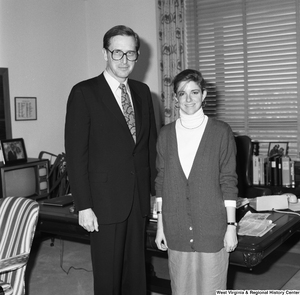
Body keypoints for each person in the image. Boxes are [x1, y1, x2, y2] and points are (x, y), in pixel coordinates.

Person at [65, 25, 157, 295]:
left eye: (131, 53)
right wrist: (83, 205)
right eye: (117, 53)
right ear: (105, 53)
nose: (124, 60)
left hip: (137, 199)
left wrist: (155, 194)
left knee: (136, 276)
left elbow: (148, 147)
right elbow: (75, 154)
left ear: (138, 55)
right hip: (103, 203)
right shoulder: (84, 92)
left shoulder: (142, 92)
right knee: (108, 279)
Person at [155, 69, 238, 294]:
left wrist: (231, 227)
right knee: (181, 288)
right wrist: (160, 227)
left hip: (213, 227)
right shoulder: (165, 135)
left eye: (194, 92)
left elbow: (228, 181)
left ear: (204, 94)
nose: (188, 99)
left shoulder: (221, 132)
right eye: (182, 93)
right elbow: (161, 183)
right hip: (176, 227)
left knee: (212, 287)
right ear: (175, 98)